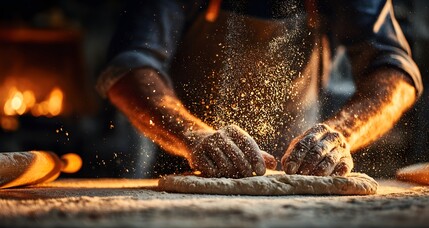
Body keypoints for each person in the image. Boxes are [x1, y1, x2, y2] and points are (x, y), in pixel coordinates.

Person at [97, 0, 422, 178]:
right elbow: (129, 65)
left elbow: (394, 68)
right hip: (186, 167)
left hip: (304, 173)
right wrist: (193, 137)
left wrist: (342, 133)